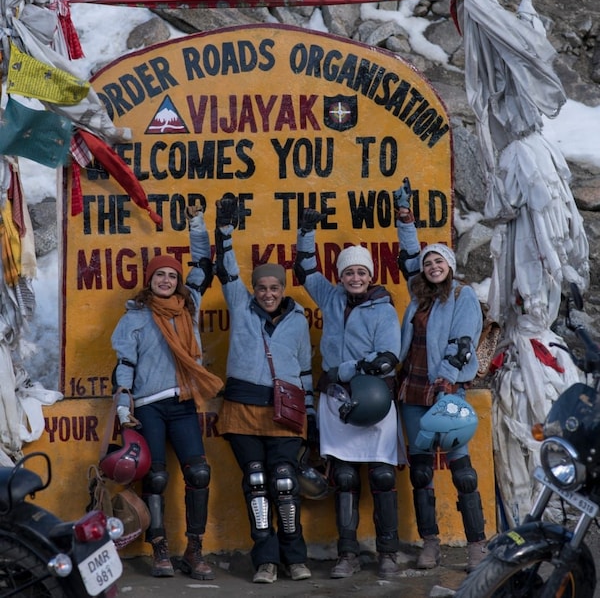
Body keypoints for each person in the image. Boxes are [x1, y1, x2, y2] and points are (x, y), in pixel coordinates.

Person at [111, 204, 223, 579]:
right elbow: (124, 364)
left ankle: (194, 550)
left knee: (200, 473)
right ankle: (160, 550)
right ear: (149, 280)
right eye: (159, 275)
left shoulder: (187, 309)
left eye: (170, 275)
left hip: (183, 402)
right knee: (155, 477)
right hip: (148, 407)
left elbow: (203, 264)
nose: (165, 281)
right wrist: (123, 404)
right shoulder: (136, 318)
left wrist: (196, 223)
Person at [294, 209, 404, 580]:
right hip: (336, 400)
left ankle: (388, 552)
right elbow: (305, 270)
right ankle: (347, 554)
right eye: (348, 272)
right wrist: (306, 231)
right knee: (343, 476)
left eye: (361, 272)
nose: (355, 278)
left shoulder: (384, 308)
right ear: (340, 276)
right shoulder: (332, 296)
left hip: (373, 398)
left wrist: (347, 368)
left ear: (370, 275)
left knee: (383, 477)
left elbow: (388, 357)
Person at [214, 193, 315, 586]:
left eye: (275, 287)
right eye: (262, 287)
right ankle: (266, 562)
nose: (268, 293)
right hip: (241, 409)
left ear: (283, 288)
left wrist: (309, 414)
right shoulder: (240, 304)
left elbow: (305, 368)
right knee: (256, 482)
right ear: (254, 288)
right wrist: (224, 230)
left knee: (285, 483)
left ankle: (296, 557)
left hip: (284, 412)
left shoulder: (299, 320)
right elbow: (226, 270)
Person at [393, 178, 487, 573]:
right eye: (429, 263)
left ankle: (477, 548)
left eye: (439, 262)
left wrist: (447, 379)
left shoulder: (462, 295)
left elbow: (464, 343)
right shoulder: (419, 295)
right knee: (420, 469)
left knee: (461, 471)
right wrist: (404, 217)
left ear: (450, 265)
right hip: (412, 388)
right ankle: (430, 544)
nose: (432, 266)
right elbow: (411, 253)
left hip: (444, 390)